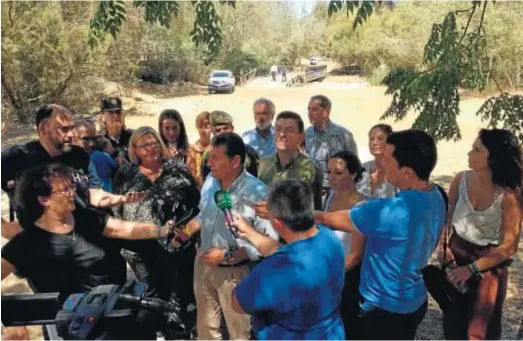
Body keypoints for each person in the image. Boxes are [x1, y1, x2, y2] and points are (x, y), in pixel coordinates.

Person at [1, 163, 175, 340]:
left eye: (72, 186)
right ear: (44, 200)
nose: (73, 193)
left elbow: (121, 228)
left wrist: (161, 230)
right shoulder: (26, 243)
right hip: (79, 329)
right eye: (65, 190)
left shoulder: (85, 218)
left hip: (120, 314)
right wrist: (15, 318)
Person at [314, 129, 446, 340]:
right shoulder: (437, 194)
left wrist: (284, 210)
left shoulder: (388, 210)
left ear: (407, 173)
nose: (381, 163)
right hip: (414, 299)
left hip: (383, 310)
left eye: (387, 159)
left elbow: (326, 219)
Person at [176, 133, 278, 340]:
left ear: (235, 161)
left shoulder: (258, 193)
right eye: (209, 157)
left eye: (215, 157)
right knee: (206, 330)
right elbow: (204, 214)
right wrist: (186, 232)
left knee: (239, 333)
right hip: (203, 266)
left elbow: (267, 243)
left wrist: (227, 255)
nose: (208, 162)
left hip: (235, 275)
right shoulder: (211, 183)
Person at [1, 104, 146, 236]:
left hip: (89, 240)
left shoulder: (78, 155)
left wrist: (122, 199)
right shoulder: (16, 158)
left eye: (71, 128)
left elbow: (95, 195)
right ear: (43, 129)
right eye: (64, 129)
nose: (70, 135)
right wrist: (5, 228)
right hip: (41, 250)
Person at [112, 126, 201, 339]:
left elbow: (195, 206)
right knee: (149, 308)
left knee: (182, 306)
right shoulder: (125, 174)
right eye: (144, 145)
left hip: (178, 251)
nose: (151, 148)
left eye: (154, 143)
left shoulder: (178, 170)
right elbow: (116, 212)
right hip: (141, 257)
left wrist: (188, 231)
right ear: (135, 150)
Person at [230, 179, 345, 340]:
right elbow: (286, 251)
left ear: (277, 222)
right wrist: (248, 232)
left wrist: (237, 289)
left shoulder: (276, 269)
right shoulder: (328, 238)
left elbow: (238, 304)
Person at [441, 129, 522, 340]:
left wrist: (472, 269)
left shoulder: (508, 196)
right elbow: (446, 219)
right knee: (452, 324)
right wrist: (444, 249)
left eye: (477, 150)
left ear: (493, 158)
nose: (469, 153)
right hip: (455, 259)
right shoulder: (461, 180)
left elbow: (509, 247)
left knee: (478, 333)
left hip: (488, 269)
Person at [323, 151, 366, 339]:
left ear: (354, 174)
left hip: (348, 277)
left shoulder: (362, 206)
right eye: (329, 172)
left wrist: (332, 277)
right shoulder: (330, 196)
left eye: (338, 173)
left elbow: (356, 255)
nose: (331, 177)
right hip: (326, 271)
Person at [257, 111, 323, 214]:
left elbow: (310, 211)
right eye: (278, 129)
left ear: (301, 137)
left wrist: (274, 212)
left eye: (289, 130)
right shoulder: (263, 164)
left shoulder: (310, 168)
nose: (282, 134)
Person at [305, 95, 358, 192]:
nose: (309, 113)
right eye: (308, 109)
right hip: (311, 191)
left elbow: (354, 166)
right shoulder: (307, 134)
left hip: (336, 191)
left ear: (326, 112)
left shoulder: (344, 135)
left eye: (314, 110)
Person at [200, 111, 259, 182]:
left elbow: (257, 176)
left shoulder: (248, 152)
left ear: (232, 128)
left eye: (225, 128)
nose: (223, 132)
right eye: (218, 130)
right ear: (213, 132)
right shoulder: (208, 156)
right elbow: (206, 181)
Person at [72, 118, 118, 192]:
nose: (91, 144)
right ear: (72, 138)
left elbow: (124, 172)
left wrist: (111, 150)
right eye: (85, 139)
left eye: (94, 139)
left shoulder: (102, 156)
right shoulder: (67, 161)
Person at [357, 124, 397, 199]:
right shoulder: (363, 168)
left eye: (380, 139)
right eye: (372, 139)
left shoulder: (398, 169)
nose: (374, 143)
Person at [99, 97, 134, 163]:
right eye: (111, 112)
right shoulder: (101, 142)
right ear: (103, 116)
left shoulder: (132, 137)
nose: (115, 116)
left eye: (118, 112)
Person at [188, 111, 212, 187]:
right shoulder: (192, 149)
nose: (203, 130)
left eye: (207, 127)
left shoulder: (216, 148)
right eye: (200, 127)